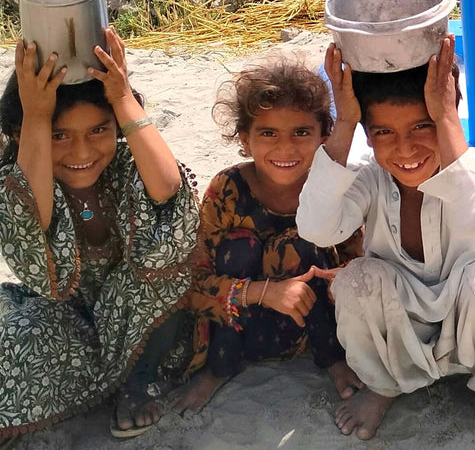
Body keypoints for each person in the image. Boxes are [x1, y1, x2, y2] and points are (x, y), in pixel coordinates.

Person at [296, 36, 475, 442]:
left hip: (471, 319)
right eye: (384, 132)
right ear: (368, 135)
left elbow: (473, 219)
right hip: (400, 321)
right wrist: (344, 124)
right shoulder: (367, 176)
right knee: (354, 280)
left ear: (447, 118)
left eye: (422, 126)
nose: (405, 147)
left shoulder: (473, 167)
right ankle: (382, 384)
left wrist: (446, 117)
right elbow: (317, 229)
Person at [0, 27, 199, 440]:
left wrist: (123, 97)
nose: (82, 152)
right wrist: (37, 113)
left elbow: (168, 191)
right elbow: (31, 231)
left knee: (165, 263)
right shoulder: (20, 182)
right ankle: (103, 376)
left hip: (144, 326)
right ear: (23, 136)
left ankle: (137, 378)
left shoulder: (129, 162)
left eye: (98, 130)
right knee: (16, 337)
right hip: (71, 323)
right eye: (59, 135)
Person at [172, 57, 363, 414]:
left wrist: (342, 275)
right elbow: (192, 282)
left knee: (305, 241)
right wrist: (264, 292)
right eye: (268, 133)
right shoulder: (227, 190)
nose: (285, 148)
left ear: (325, 136)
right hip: (239, 322)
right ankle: (219, 368)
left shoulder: (331, 187)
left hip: (308, 323)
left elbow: (359, 255)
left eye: (301, 133)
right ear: (245, 139)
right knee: (238, 248)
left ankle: (333, 359)